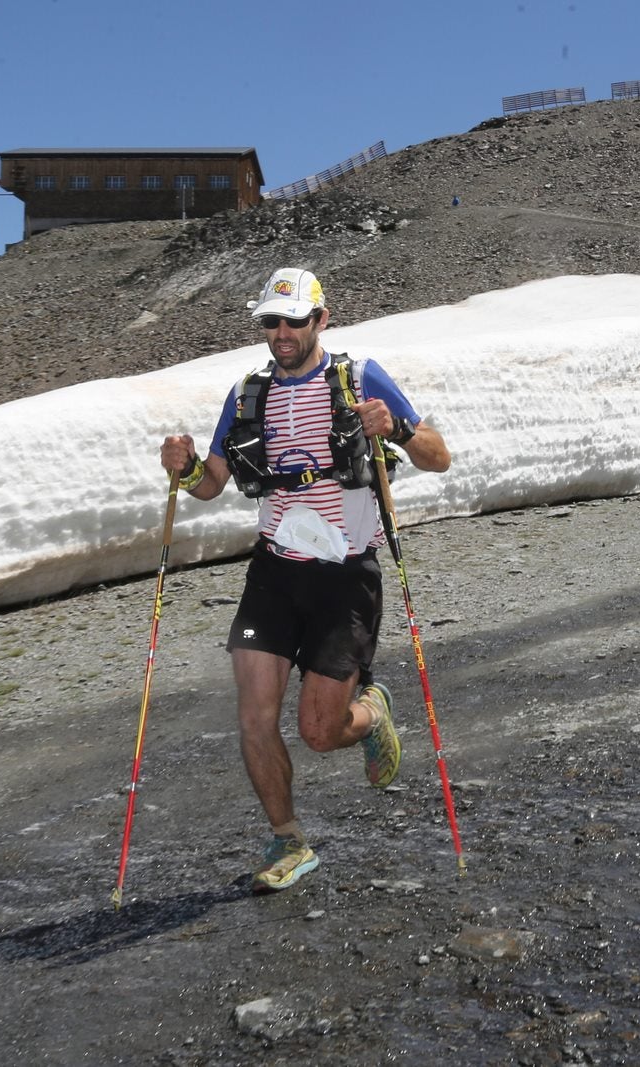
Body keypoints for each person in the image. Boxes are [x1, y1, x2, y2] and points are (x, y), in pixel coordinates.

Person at [159, 267, 452, 894]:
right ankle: (287, 840)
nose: (283, 331)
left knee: (320, 733)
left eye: (295, 319)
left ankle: (371, 714)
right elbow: (210, 485)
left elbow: (439, 454)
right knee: (254, 716)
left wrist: (396, 429)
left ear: (321, 319)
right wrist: (182, 471)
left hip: (346, 574)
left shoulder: (359, 378)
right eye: (272, 320)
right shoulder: (245, 395)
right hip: (274, 571)